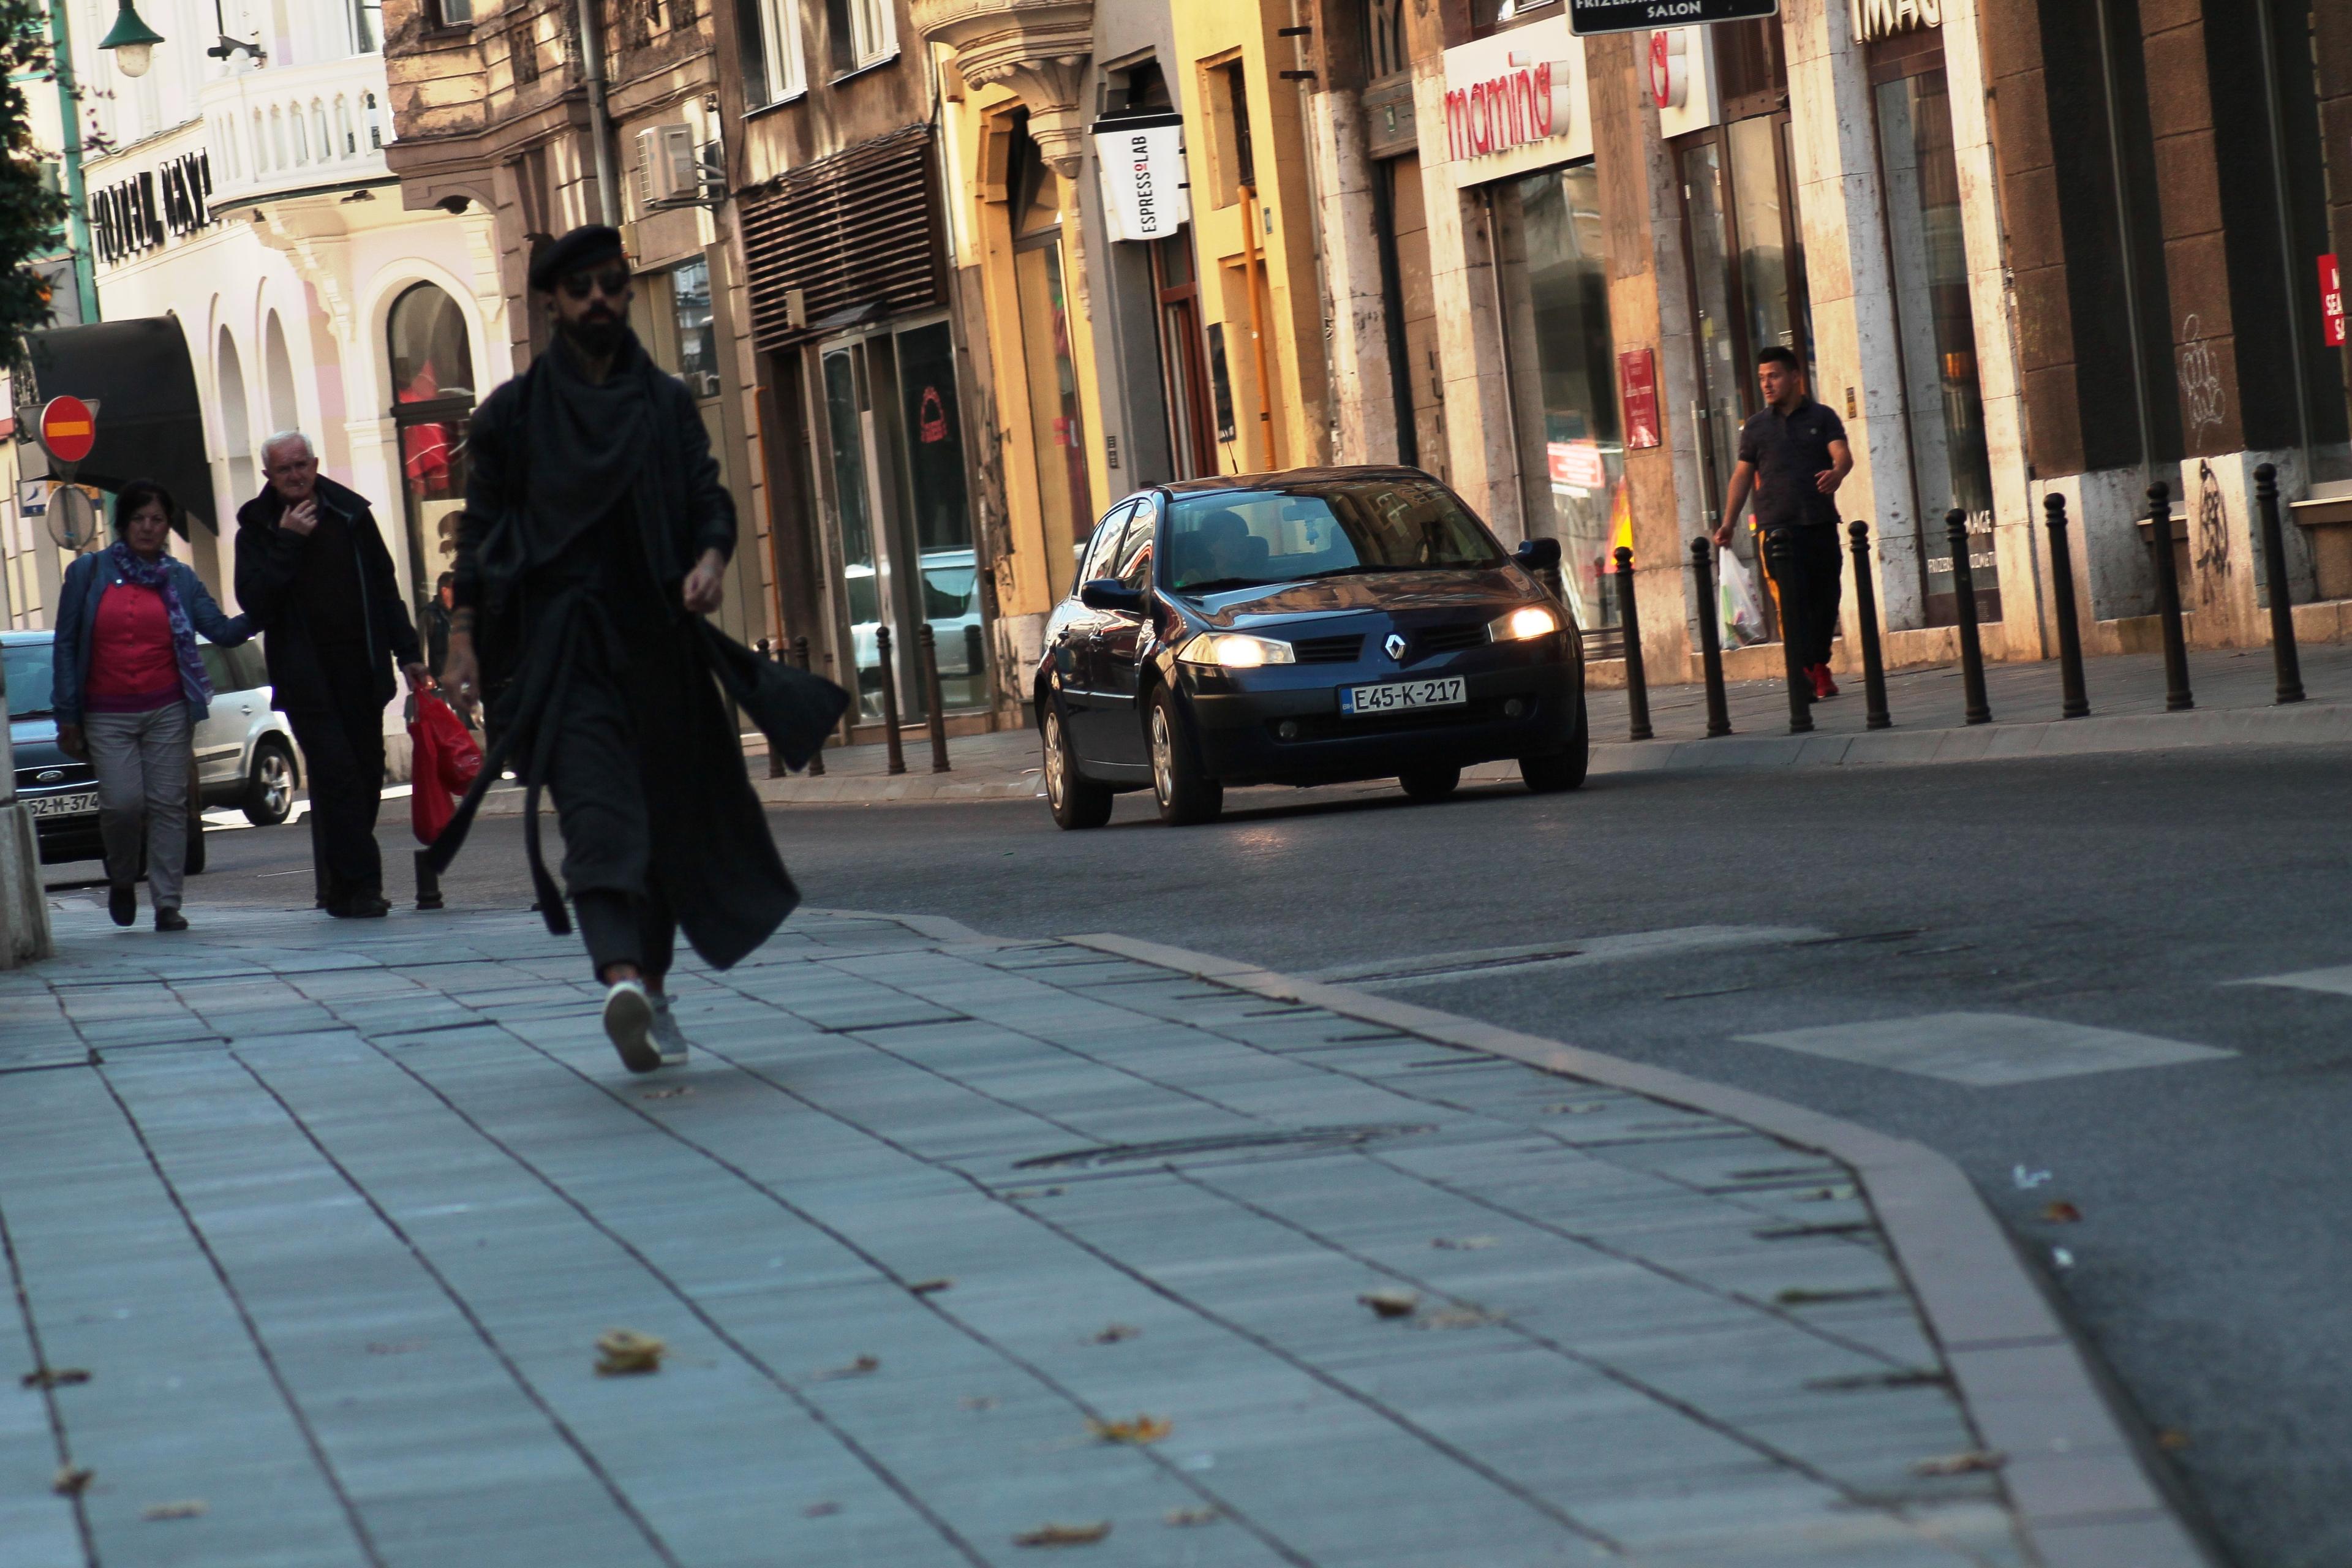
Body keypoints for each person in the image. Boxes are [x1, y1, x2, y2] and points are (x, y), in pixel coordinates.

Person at [435, 224, 805, 1074]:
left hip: (660, 652)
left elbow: (712, 503)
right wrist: (463, 642)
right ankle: (621, 980)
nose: (599, 298)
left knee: (669, 830)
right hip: (562, 656)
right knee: (601, 822)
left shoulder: (664, 405)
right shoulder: (510, 420)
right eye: (581, 287)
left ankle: (655, 986)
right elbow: (481, 540)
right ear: (552, 304)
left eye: (612, 282)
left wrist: (710, 563)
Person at [234, 431, 428, 918]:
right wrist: (289, 543)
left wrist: (408, 652)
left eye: (302, 465)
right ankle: (363, 888)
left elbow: (385, 587)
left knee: (363, 776)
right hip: (305, 678)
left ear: (316, 464)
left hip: (360, 669)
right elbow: (256, 603)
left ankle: (338, 886)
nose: (296, 476)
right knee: (337, 775)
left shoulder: (351, 515)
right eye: (285, 470)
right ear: (269, 478)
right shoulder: (257, 529)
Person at [51, 481, 252, 932]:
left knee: (168, 805)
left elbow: (220, 629)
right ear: (123, 524)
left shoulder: (179, 579)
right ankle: (122, 876)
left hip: (167, 709)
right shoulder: (88, 573)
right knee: (123, 803)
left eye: (157, 520)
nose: (148, 527)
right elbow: (66, 645)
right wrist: (66, 712)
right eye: (139, 519)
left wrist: (267, 606)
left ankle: (167, 902)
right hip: (107, 712)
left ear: (167, 527)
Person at [1714, 345, 1853, 701]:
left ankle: (1818, 663)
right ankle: (1805, 673)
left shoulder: (1823, 417)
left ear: (1795, 377)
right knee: (1791, 604)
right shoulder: (1757, 428)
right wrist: (1728, 523)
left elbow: (1842, 454)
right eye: (1762, 378)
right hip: (1777, 532)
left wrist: (1837, 473)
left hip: (1819, 523)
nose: (1767, 384)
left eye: (1773, 376)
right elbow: (1742, 476)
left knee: (1825, 599)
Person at [423, 572, 456, 680]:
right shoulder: (429, 614)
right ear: (445, 591)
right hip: (441, 680)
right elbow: (423, 647)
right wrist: (426, 675)